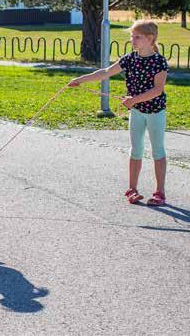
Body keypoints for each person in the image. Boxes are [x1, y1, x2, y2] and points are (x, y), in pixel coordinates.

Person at [69, 19, 169, 206]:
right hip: (137, 112)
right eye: (132, 36)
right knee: (136, 149)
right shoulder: (130, 59)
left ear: (150, 38)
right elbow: (105, 72)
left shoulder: (159, 61)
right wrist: (81, 79)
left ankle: (160, 192)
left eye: (137, 37)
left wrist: (133, 100)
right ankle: (132, 189)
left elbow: (158, 90)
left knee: (158, 151)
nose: (133, 40)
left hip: (155, 112)